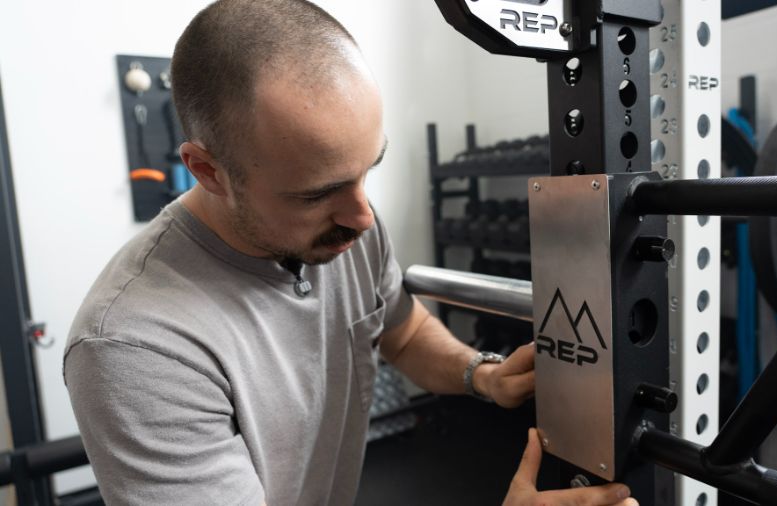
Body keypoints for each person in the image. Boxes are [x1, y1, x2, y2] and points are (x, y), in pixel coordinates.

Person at [64, 1, 638, 505]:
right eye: (317, 193)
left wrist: (480, 375)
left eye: (368, 170)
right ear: (209, 170)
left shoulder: (342, 228)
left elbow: (402, 332)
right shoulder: (135, 348)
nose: (362, 216)